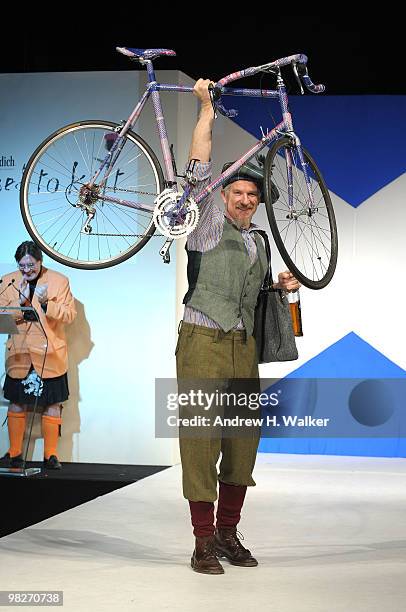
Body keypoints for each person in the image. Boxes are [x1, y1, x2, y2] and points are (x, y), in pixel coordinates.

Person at [176, 79, 300, 574]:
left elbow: (256, 295)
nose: (246, 199)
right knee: (201, 443)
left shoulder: (261, 242)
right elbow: (198, 166)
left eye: (252, 194)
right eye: (238, 191)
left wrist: (280, 286)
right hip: (202, 342)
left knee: (242, 444)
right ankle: (202, 541)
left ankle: (228, 533)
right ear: (223, 195)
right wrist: (206, 109)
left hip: (242, 347)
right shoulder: (207, 224)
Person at [0, 241, 76, 469]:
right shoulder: (8, 281)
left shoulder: (59, 281)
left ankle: (51, 455)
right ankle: (14, 453)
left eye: (31, 265)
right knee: (16, 402)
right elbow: (2, 317)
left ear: (40, 261)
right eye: (22, 265)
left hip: (50, 353)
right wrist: (20, 301)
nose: (26, 270)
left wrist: (46, 305)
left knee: (53, 402)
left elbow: (70, 315)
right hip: (20, 352)